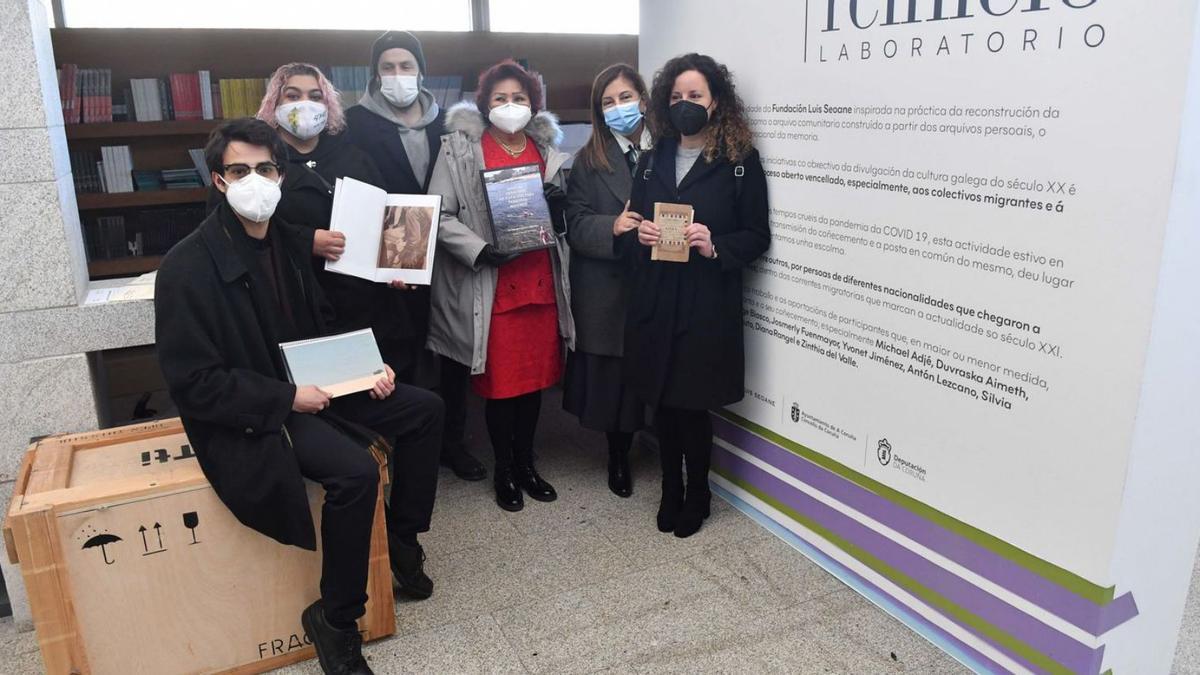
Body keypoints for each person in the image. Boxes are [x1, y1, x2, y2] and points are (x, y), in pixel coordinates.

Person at [155, 119, 444, 675]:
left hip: (318, 384)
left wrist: (367, 367)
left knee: (425, 410)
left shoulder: (288, 244)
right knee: (355, 474)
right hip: (260, 407)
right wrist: (287, 398)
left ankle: (404, 538)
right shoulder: (187, 267)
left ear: (282, 176)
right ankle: (337, 620)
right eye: (239, 170)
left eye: (265, 169)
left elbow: (326, 323)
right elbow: (193, 383)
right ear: (218, 180)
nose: (255, 181)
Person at [619, 54, 771, 538]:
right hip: (657, 295)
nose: (685, 105)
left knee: (691, 403)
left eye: (696, 96)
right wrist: (636, 234)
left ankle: (699, 491)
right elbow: (633, 221)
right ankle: (669, 488)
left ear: (716, 101)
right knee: (663, 402)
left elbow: (757, 235)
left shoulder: (739, 161)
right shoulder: (651, 157)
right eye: (677, 97)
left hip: (706, 300)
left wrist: (714, 245)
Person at [426, 60, 575, 512]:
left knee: (533, 386)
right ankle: (505, 470)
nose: (510, 107)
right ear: (484, 102)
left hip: (540, 284)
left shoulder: (547, 153)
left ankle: (527, 464)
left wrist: (559, 207)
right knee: (502, 388)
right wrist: (479, 250)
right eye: (500, 98)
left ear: (534, 105)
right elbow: (440, 213)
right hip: (493, 287)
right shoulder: (461, 149)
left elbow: (565, 224)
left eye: (520, 99)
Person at [344, 31, 487, 483]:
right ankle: (399, 446)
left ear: (421, 71)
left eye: (406, 66)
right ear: (375, 74)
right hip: (387, 260)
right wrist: (385, 258)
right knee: (396, 350)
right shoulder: (352, 123)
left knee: (452, 353)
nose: (398, 75)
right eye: (388, 67)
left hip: (447, 254)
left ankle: (453, 443)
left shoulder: (449, 122)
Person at [563, 64, 653, 498]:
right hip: (610, 284)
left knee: (656, 367)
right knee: (615, 382)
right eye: (608, 102)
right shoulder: (587, 160)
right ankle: (619, 455)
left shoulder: (669, 149)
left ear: (643, 98)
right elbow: (575, 225)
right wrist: (612, 226)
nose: (619, 108)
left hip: (660, 279)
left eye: (625, 97)